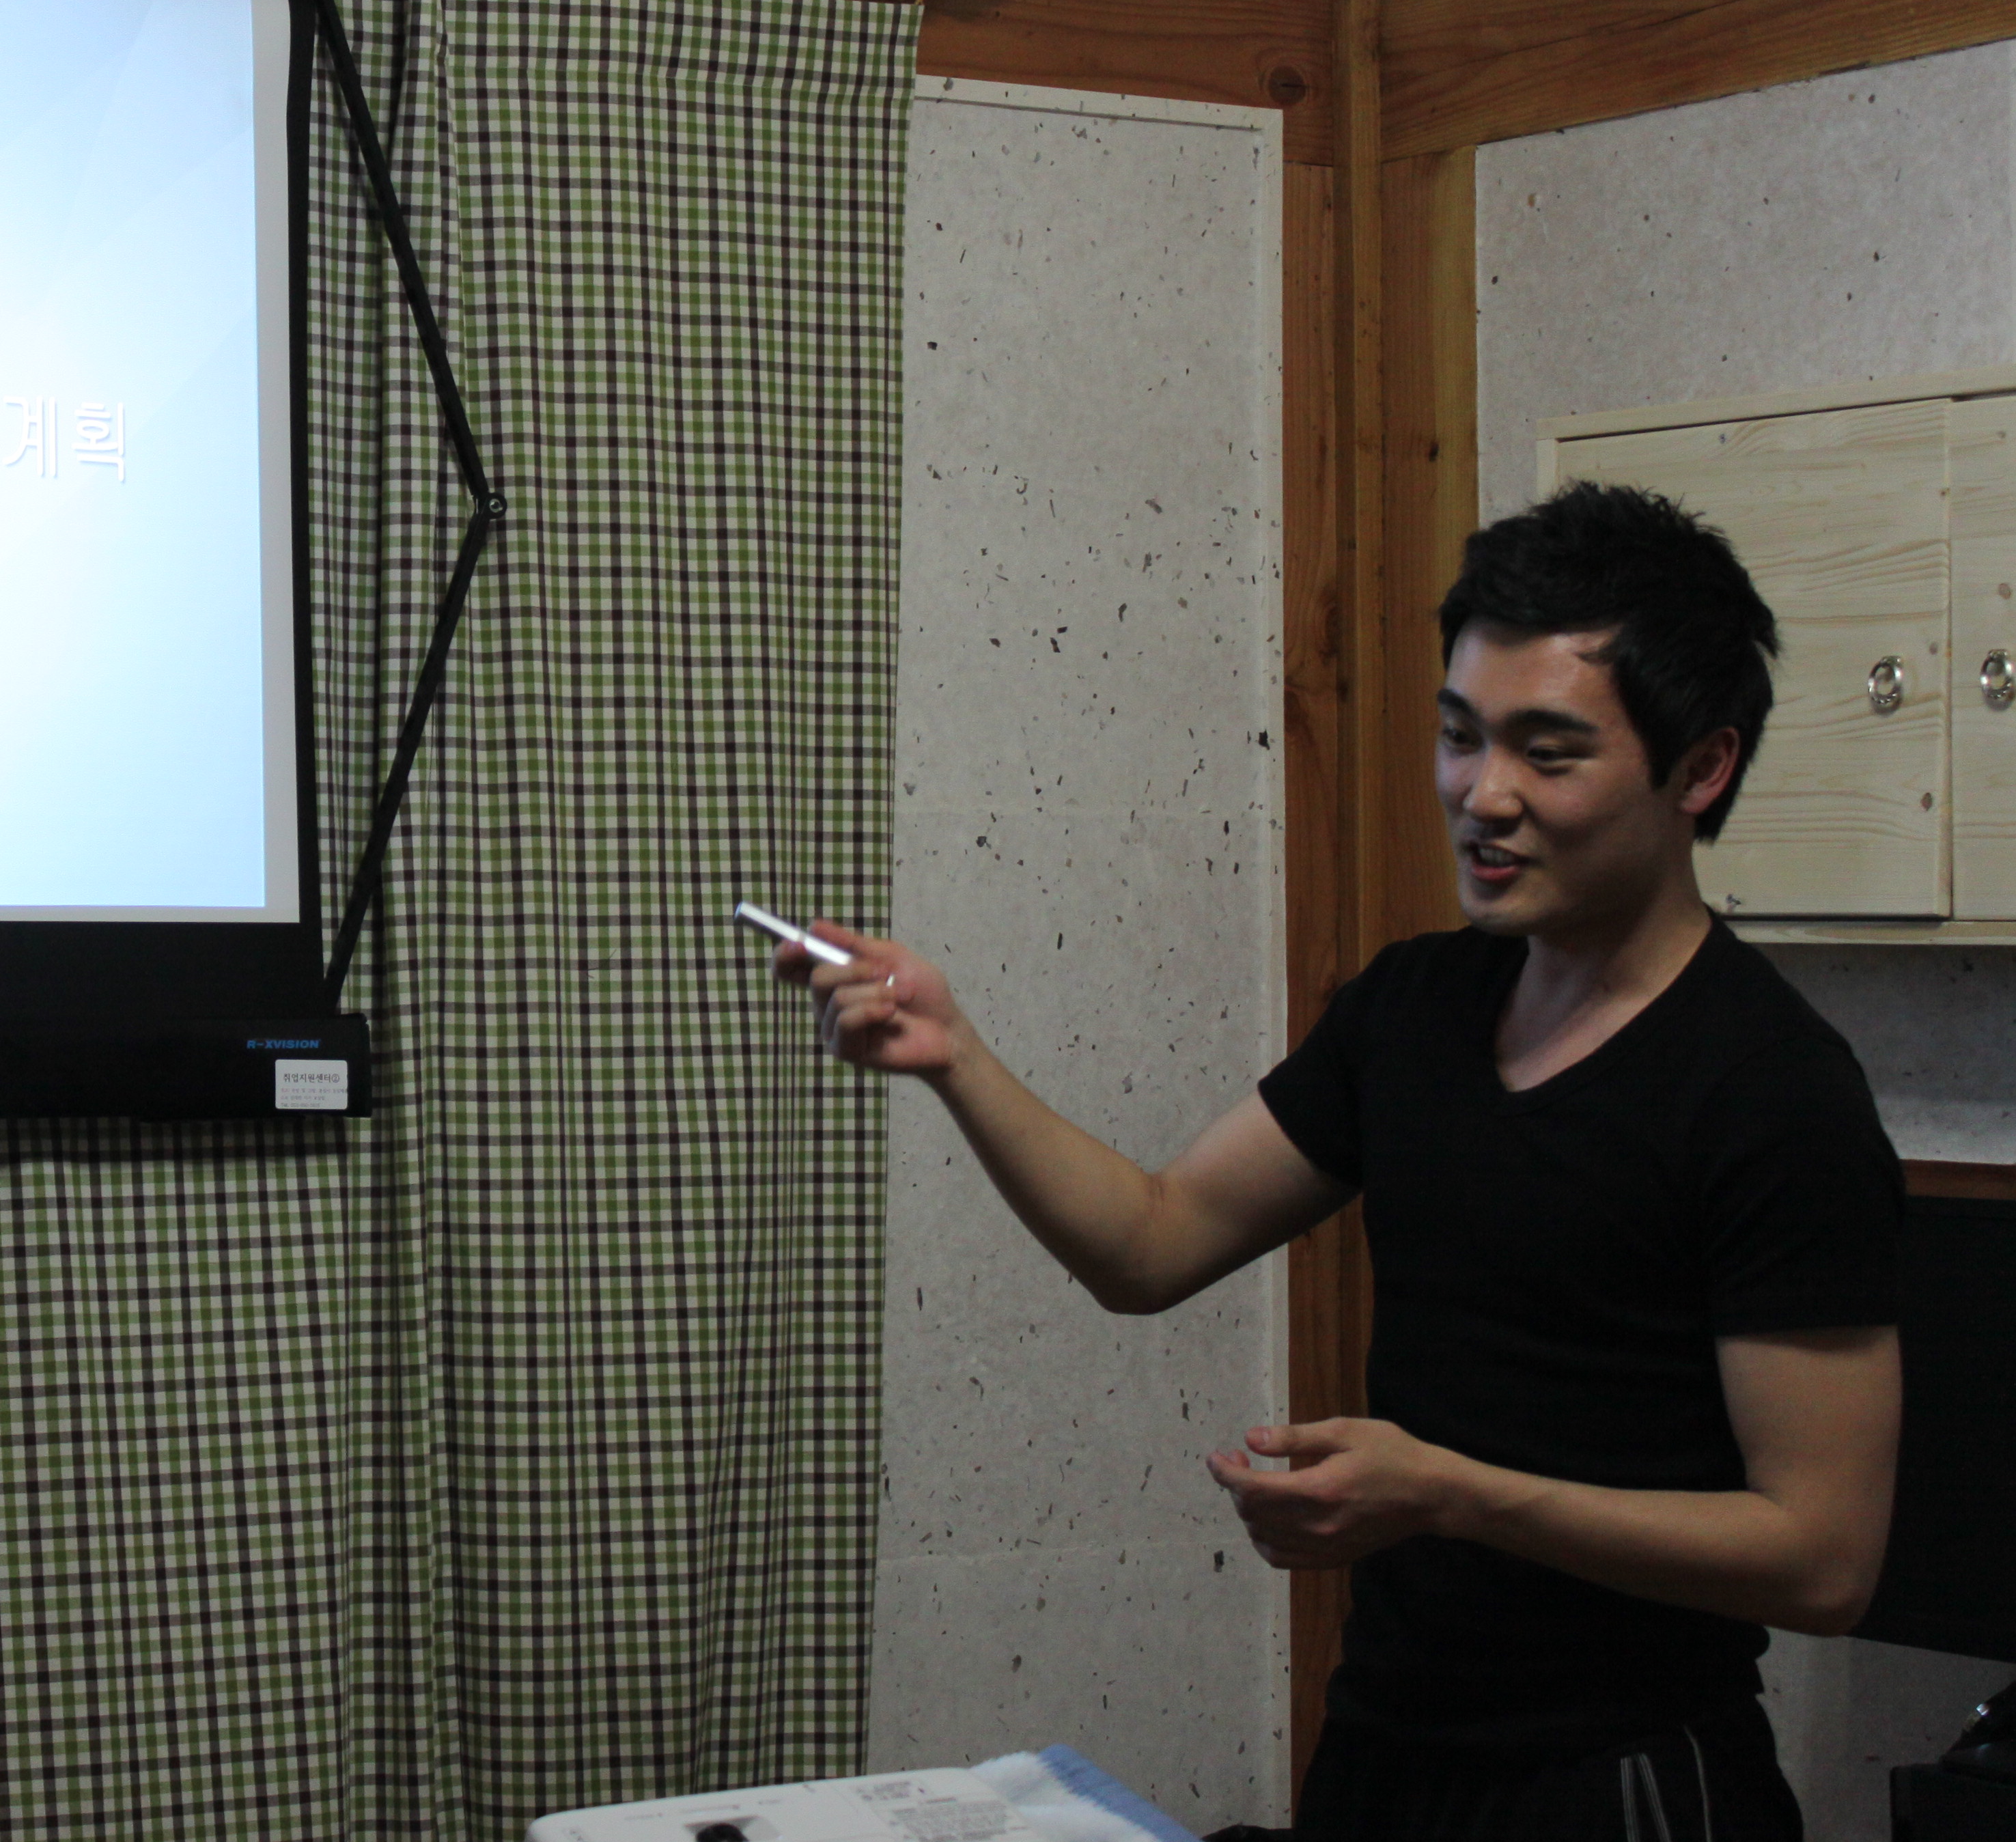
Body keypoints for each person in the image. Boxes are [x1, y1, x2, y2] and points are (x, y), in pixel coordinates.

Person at [780, 482, 1903, 1841]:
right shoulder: (1412, 1008)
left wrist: (1451, 1494)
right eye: (1459, 735)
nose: (1483, 796)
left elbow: (1823, 1560)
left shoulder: (1772, 1092)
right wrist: (954, 1054)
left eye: (1549, 753)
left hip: (1623, 1782)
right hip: (1382, 1754)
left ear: (1701, 770)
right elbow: (1149, 1242)